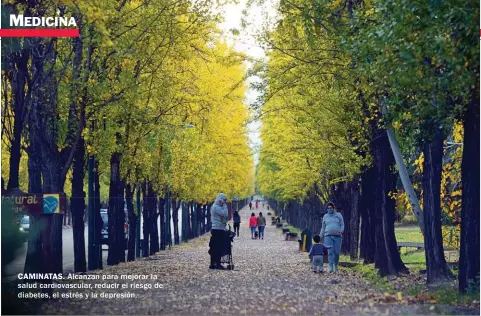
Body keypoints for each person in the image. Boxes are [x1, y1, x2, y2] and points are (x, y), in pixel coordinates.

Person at [320, 201, 344, 273]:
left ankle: (336, 265)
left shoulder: (338, 215)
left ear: (334, 208)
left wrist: (341, 231)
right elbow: (323, 227)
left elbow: (342, 224)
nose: (329, 209)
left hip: (337, 236)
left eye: (331, 208)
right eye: (328, 208)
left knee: (336, 252)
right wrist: (320, 236)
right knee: (330, 252)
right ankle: (330, 266)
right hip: (328, 236)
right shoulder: (325, 216)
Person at [209, 193, 229, 270]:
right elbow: (225, 213)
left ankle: (215, 263)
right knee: (216, 247)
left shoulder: (218, 207)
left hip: (219, 229)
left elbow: (225, 216)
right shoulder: (215, 207)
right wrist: (224, 205)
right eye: (224, 200)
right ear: (220, 199)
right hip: (217, 229)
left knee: (217, 247)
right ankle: (216, 264)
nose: (224, 202)